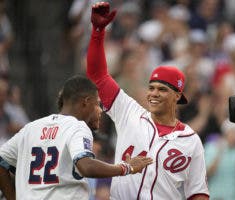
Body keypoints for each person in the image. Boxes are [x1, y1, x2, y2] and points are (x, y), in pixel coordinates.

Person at [86, 2, 209, 200]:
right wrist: (98, 32)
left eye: (162, 89)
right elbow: (97, 76)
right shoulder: (130, 112)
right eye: (151, 88)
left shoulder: (191, 140)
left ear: (177, 96)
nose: (153, 93)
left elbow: (198, 193)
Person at [0, 75, 152, 200]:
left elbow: (1, 162)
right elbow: (86, 166)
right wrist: (126, 167)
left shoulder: (31, 128)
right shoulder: (78, 126)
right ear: (86, 102)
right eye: (98, 104)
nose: (100, 110)